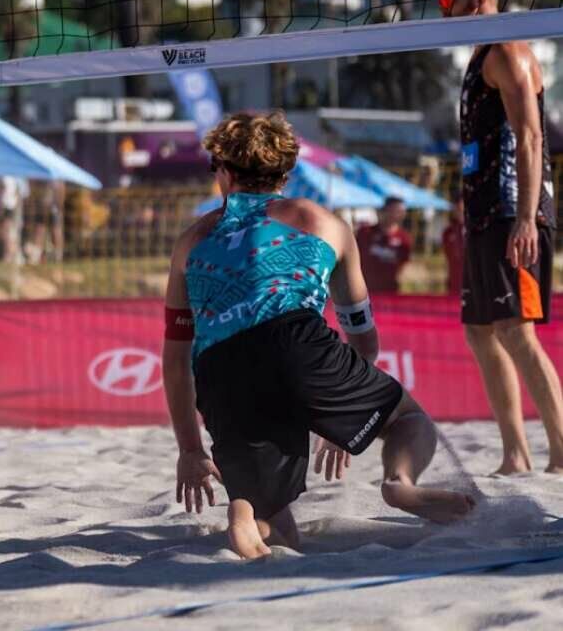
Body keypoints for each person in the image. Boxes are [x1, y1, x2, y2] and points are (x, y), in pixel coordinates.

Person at [163, 112, 474, 559]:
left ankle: (244, 515)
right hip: (299, 346)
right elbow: (361, 334)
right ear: (286, 174)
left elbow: (175, 361)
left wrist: (190, 450)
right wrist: (337, 411)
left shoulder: (191, 241)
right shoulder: (324, 222)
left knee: (279, 524)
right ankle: (399, 484)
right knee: (408, 420)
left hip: (220, 370)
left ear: (226, 173)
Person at [428, 0, 563, 474]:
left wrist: (527, 218)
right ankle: (515, 454)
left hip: (513, 211)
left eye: (448, 0)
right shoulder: (482, 51)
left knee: (515, 330)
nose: (442, 11)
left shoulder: (507, 50)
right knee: (480, 330)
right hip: (487, 213)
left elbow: (530, 137)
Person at [355, 196, 412, 294]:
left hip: (390, 291)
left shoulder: (404, 238)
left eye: (401, 211)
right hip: (365, 289)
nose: (398, 214)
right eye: (395, 210)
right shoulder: (365, 232)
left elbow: (403, 265)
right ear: (385, 210)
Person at [441, 198, 465, 296]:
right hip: (454, 281)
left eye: (460, 208)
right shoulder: (448, 231)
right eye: (456, 208)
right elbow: (448, 255)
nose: (458, 210)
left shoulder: (474, 229)